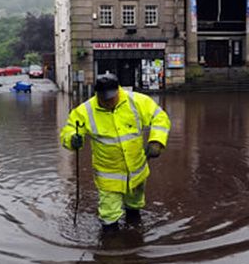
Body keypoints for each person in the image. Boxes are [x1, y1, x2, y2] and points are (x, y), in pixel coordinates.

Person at [60, 73, 171, 231]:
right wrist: (72, 139)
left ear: (118, 91)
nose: (108, 102)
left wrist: (156, 141)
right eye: (104, 99)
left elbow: (160, 118)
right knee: (109, 215)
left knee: (135, 206)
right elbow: (68, 132)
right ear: (96, 94)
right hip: (108, 174)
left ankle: (134, 239)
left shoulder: (137, 101)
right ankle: (110, 247)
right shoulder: (84, 111)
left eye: (111, 98)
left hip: (136, 170)